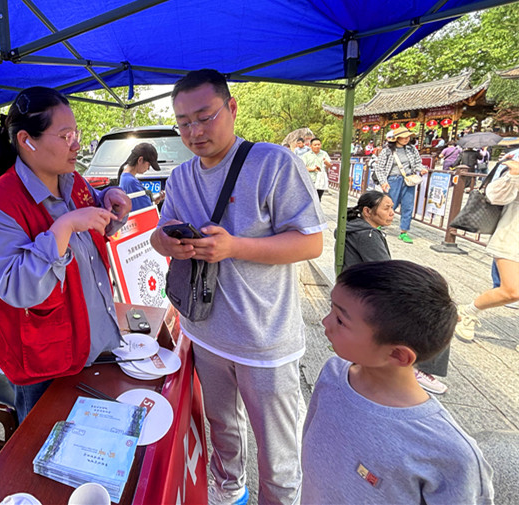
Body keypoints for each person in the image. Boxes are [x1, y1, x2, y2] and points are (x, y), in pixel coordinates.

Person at [150, 69, 325, 505]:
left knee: (277, 453)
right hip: (205, 332)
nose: (194, 131)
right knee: (223, 429)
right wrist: (167, 242)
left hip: (264, 338)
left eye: (204, 117)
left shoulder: (273, 163)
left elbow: (311, 242)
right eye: (183, 122)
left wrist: (234, 247)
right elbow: (159, 233)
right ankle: (229, 491)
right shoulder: (181, 177)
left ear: (231, 108)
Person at [0, 86, 131, 422]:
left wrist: (110, 199)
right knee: (45, 440)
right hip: (41, 360)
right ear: (26, 140)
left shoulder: (72, 181)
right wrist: (63, 228)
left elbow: (96, 222)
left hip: (90, 341)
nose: (76, 145)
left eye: (76, 133)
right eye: (65, 136)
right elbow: (17, 287)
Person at [302, 260, 494, 504]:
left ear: (398, 355)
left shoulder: (450, 454)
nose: (325, 322)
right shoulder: (333, 374)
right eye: (331, 309)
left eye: (340, 320)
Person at [338, 191, 449, 395]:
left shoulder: (358, 228)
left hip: (361, 288)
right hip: (368, 294)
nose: (392, 213)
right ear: (367, 211)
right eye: (386, 208)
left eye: (392, 208)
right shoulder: (367, 235)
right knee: (436, 309)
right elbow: (387, 271)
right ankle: (417, 368)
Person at [456, 159, 519, 341]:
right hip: (512, 237)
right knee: (512, 291)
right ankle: (469, 311)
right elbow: (494, 195)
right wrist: (514, 176)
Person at [374, 126, 427, 244]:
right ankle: (379, 223)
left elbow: (417, 163)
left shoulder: (412, 149)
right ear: (397, 138)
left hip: (408, 180)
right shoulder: (387, 151)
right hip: (393, 180)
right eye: (403, 137)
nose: (406, 139)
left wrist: (421, 169)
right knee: (389, 204)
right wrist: (383, 182)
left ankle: (404, 232)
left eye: (408, 137)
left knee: (408, 206)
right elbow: (379, 168)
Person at [117, 142, 161, 211]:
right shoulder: (131, 182)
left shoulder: (124, 177)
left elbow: (137, 205)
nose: (148, 168)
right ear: (140, 160)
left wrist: (153, 201)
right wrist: (152, 203)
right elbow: (146, 211)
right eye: (149, 165)